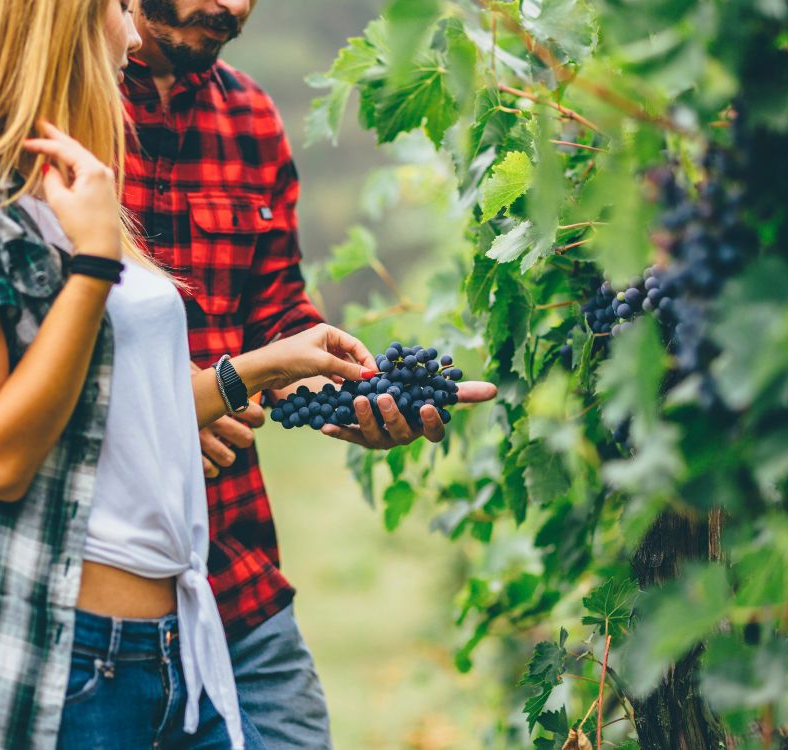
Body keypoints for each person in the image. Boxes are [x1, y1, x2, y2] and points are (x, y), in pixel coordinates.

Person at [0, 0, 379, 748]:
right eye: (114, 9)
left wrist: (286, 370)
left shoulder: (72, 185)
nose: (129, 31)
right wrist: (94, 261)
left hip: (187, 633)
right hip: (72, 651)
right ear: (46, 27)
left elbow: (117, 403)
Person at [120, 1, 500, 747]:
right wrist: (176, 412)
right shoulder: (56, 107)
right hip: (98, 599)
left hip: (236, 581)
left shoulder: (251, 118)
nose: (229, 7)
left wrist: (356, 399)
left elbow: (278, 326)